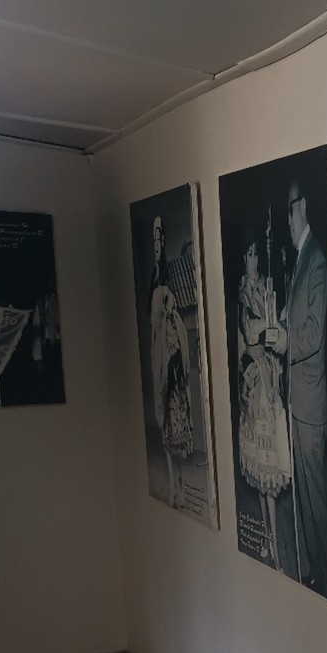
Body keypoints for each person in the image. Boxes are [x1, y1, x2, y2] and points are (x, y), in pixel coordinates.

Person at [269, 181, 327, 598]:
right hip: (298, 400)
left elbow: (313, 333)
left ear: (303, 206)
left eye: (290, 211)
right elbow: (298, 319)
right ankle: (314, 575)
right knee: (305, 499)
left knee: (317, 500)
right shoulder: (300, 259)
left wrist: (285, 339)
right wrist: (281, 319)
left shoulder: (316, 260)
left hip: (311, 404)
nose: (287, 221)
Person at [236, 224, 291, 568]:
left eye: (257, 253)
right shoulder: (243, 292)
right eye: (250, 254)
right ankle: (268, 541)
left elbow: (271, 330)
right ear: (244, 259)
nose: (254, 259)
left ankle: (275, 545)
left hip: (269, 377)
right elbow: (248, 333)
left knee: (271, 467)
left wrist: (274, 323)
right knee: (258, 470)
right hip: (253, 383)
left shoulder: (265, 287)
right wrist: (265, 328)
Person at [148, 216, 193, 507]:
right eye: (154, 241)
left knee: (175, 430)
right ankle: (173, 486)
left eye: (160, 240)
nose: (157, 245)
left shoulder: (169, 280)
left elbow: (173, 320)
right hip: (161, 362)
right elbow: (154, 326)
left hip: (173, 366)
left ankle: (181, 484)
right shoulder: (154, 282)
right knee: (164, 428)